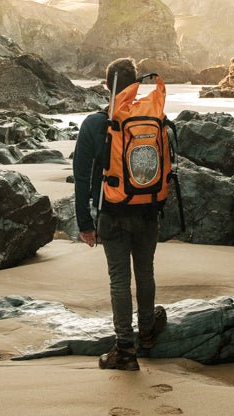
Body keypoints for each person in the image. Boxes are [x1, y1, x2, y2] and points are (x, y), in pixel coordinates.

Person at [73, 57, 167, 371]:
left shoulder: (94, 124)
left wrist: (85, 223)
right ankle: (148, 332)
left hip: (111, 214)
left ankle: (125, 348)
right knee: (145, 273)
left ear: (106, 85)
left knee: (119, 280)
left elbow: (82, 177)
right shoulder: (152, 118)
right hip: (148, 211)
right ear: (136, 86)